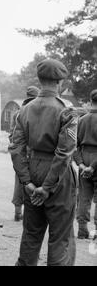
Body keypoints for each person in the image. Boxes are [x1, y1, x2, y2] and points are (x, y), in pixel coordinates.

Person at [9, 58, 78, 266]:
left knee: (31, 234)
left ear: (39, 80)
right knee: (60, 238)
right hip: (59, 176)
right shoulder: (66, 111)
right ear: (60, 83)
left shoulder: (24, 110)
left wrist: (27, 182)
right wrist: (48, 187)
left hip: (32, 170)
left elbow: (15, 148)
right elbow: (64, 152)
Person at [8, 86, 39, 221]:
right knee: (33, 181)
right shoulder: (38, 111)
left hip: (20, 152)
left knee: (20, 180)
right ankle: (31, 213)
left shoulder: (17, 113)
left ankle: (17, 212)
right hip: (34, 153)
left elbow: (12, 135)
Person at [74, 89, 97, 240]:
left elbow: (74, 145)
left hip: (84, 156)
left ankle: (82, 230)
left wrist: (82, 165)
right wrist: (93, 166)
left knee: (83, 196)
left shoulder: (81, 120)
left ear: (90, 100)